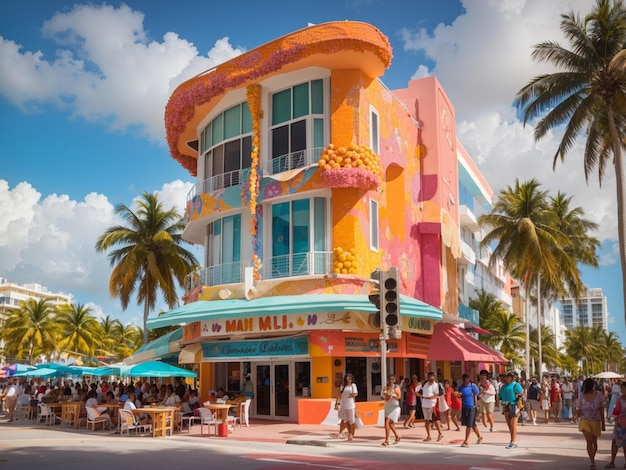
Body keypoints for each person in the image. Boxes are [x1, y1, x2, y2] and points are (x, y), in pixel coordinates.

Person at [572, 377, 605, 470]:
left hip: (595, 420)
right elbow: (579, 409)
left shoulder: (599, 395)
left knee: (594, 442)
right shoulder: (581, 395)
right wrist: (575, 417)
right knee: (589, 440)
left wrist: (603, 424)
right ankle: (592, 462)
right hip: (584, 420)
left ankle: (592, 458)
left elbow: (601, 410)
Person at [457, 373, 483, 447]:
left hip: (472, 407)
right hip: (464, 407)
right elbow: (459, 395)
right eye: (465, 379)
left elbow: (477, 395)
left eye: (467, 379)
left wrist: (477, 406)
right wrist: (458, 395)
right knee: (472, 424)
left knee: (469, 425)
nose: (466, 381)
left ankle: (466, 440)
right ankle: (479, 437)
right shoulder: (461, 387)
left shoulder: (472, 386)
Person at [499, 371, 523, 449]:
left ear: (512, 378)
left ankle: (512, 442)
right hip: (506, 405)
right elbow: (500, 396)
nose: (507, 378)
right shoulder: (503, 386)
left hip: (514, 405)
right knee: (509, 425)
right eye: (506, 377)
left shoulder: (516, 385)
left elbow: (521, 394)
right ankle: (512, 438)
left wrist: (520, 407)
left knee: (513, 425)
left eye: (509, 377)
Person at [418, 371, 444, 442]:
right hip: (425, 404)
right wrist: (422, 396)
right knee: (426, 420)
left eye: (432, 376)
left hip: (432, 404)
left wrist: (431, 397)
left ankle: (440, 433)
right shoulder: (425, 384)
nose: (430, 378)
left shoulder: (436, 385)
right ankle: (428, 435)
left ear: (434, 377)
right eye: (429, 377)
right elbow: (418, 391)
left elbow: (438, 394)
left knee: (435, 419)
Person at [332, 373, 358, 442]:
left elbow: (355, 394)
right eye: (347, 378)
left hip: (351, 405)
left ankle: (352, 434)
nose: (348, 379)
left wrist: (350, 395)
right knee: (344, 420)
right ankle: (342, 433)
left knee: (352, 421)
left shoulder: (353, 385)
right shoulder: (343, 386)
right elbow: (339, 395)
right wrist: (337, 404)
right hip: (344, 405)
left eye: (350, 378)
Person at [606, 381, 626, 469]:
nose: (622, 390)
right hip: (620, 425)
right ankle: (612, 462)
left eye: (623, 388)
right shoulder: (619, 399)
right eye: (621, 388)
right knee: (615, 443)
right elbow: (616, 411)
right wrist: (611, 419)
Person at [381, 374, 401, 446]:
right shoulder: (386, 388)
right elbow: (383, 396)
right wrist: (385, 396)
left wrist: (393, 395)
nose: (391, 380)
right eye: (390, 379)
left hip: (394, 406)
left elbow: (399, 397)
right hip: (388, 406)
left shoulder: (396, 387)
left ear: (394, 380)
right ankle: (396, 436)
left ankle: (387, 440)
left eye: (392, 379)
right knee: (391, 423)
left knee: (387, 421)